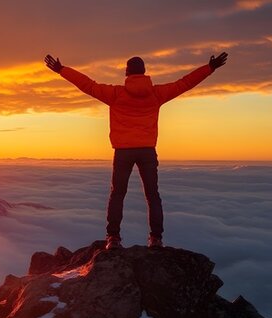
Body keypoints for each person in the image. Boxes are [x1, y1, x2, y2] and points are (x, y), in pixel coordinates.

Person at [44, 52, 228, 250]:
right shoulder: (156, 94)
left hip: (123, 152)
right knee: (152, 195)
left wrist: (61, 70)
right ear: (144, 72)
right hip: (147, 151)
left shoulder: (116, 94)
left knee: (117, 194)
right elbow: (184, 83)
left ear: (127, 72)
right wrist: (209, 68)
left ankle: (113, 238)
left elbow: (87, 85)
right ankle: (156, 239)